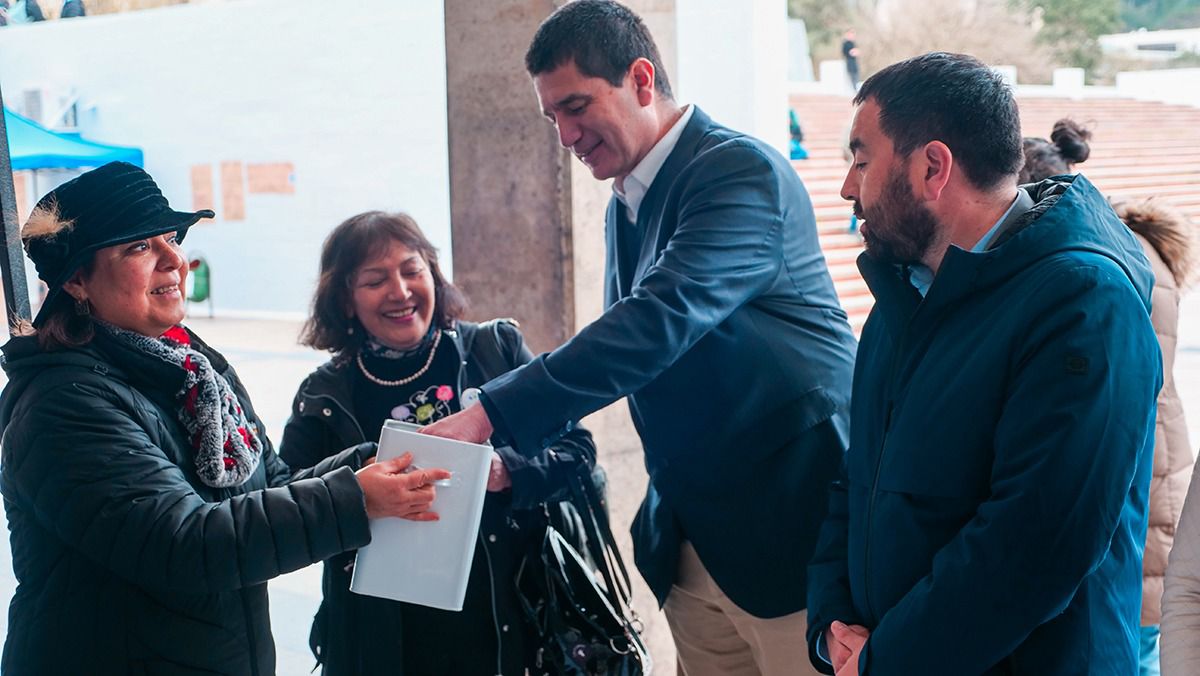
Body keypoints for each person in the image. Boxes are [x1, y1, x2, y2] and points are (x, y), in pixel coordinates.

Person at [424, 2, 857, 674]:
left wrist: (490, 412)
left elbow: (657, 322)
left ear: (642, 79)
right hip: (692, 544)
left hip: (790, 535)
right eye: (553, 119)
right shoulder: (627, 196)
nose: (565, 135)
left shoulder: (739, 173)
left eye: (576, 106)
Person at [0, 162, 451, 675]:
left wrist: (376, 460)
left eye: (171, 238)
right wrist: (353, 499)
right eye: (139, 247)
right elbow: (184, 543)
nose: (175, 259)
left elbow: (268, 487)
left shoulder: (192, 368)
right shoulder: (63, 403)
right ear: (77, 280)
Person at [806, 52, 1161, 675]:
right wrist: (830, 629)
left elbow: (1033, 544)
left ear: (933, 167)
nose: (848, 187)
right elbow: (856, 480)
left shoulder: (1083, 300)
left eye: (861, 160)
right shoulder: (905, 294)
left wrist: (885, 659)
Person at [279, 211, 597, 675]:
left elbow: (579, 456)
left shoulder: (497, 351)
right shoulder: (324, 394)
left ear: (434, 275)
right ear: (345, 299)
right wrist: (358, 496)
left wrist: (502, 472)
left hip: (511, 624)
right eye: (375, 280)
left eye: (412, 270)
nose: (400, 291)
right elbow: (287, 503)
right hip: (385, 639)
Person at [1022, 119, 1194, 676]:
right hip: (1161, 460)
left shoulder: (1098, 264)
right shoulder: (1127, 245)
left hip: (1141, 471)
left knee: (1134, 638)